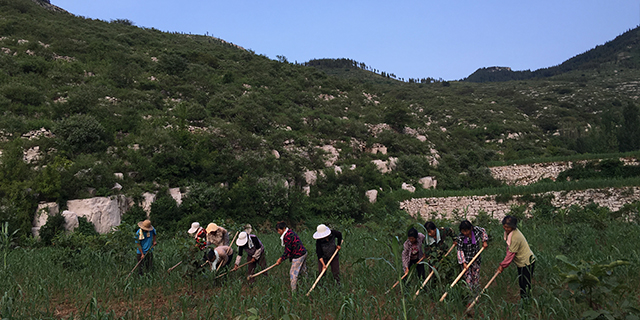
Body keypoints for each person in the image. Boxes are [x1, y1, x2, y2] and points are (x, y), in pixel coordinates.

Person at [497, 215, 536, 300]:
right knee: (521, 283)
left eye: (508, 227)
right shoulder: (508, 233)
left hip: (527, 262)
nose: (506, 228)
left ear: (513, 227)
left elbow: (511, 254)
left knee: (525, 284)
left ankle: (526, 303)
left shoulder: (516, 237)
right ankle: (524, 301)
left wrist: (502, 265)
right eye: (505, 226)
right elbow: (509, 248)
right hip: (521, 263)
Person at [275, 221, 307, 291]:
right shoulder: (290, 232)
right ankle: (305, 286)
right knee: (303, 271)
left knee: (293, 274)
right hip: (303, 253)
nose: (279, 233)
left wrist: (281, 259)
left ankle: (294, 293)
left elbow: (288, 250)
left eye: (279, 231)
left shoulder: (287, 236)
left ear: (283, 229)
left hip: (299, 255)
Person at [456, 220, 488, 290]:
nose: (465, 233)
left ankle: (476, 294)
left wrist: (484, 241)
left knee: (475, 277)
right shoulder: (461, 237)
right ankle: (469, 295)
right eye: (463, 231)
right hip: (466, 260)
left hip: (476, 259)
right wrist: (463, 263)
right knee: (468, 279)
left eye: (466, 231)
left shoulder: (476, 230)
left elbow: (483, 231)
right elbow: (460, 250)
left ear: (471, 228)